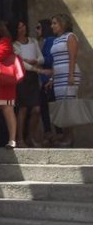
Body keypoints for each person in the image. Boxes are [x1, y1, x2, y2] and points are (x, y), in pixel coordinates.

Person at [46, 13, 82, 147]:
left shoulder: (70, 37)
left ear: (63, 24)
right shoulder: (56, 40)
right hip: (59, 77)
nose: (52, 26)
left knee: (68, 106)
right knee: (62, 107)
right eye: (52, 23)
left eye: (55, 23)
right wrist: (52, 78)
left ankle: (69, 138)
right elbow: (55, 61)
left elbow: (73, 57)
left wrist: (71, 75)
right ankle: (65, 136)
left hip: (69, 75)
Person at [13, 19, 44, 147]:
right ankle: (20, 138)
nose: (22, 29)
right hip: (22, 77)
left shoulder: (33, 41)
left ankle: (31, 136)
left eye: (23, 26)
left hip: (33, 78)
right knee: (23, 108)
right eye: (19, 27)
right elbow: (20, 62)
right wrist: (33, 66)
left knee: (36, 109)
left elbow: (41, 58)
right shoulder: (14, 45)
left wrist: (35, 61)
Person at [35, 19, 58, 145]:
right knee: (46, 107)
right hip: (45, 79)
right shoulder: (44, 41)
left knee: (49, 108)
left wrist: (36, 60)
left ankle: (54, 134)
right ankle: (50, 134)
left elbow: (50, 59)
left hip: (49, 79)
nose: (36, 30)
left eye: (38, 27)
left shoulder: (50, 40)